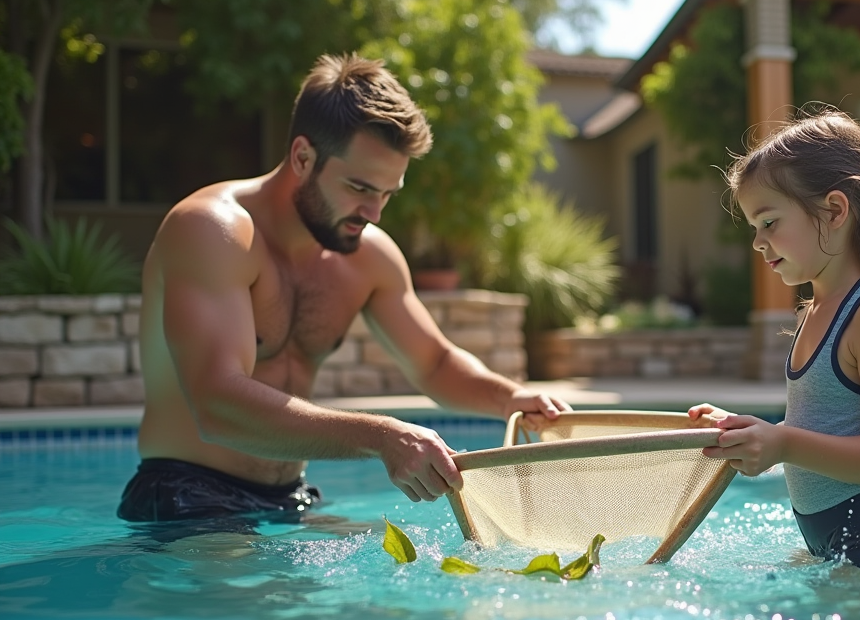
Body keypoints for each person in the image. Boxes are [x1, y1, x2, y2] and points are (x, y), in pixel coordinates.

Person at [117, 53, 569, 523]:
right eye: (359, 188)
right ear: (302, 157)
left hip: (291, 498)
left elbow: (434, 362)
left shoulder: (367, 254)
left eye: (387, 194)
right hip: (187, 496)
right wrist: (381, 437)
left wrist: (508, 398)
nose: (374, 213)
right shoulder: (213, 231)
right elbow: (216, 405)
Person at [688, 109, 860, 577]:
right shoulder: (814, 313)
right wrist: (749, 433)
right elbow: (824, 425)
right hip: (836, 548)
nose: (757, 242)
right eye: (753, 228)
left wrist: (783, 442)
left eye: (769, 222)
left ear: (833, 211)